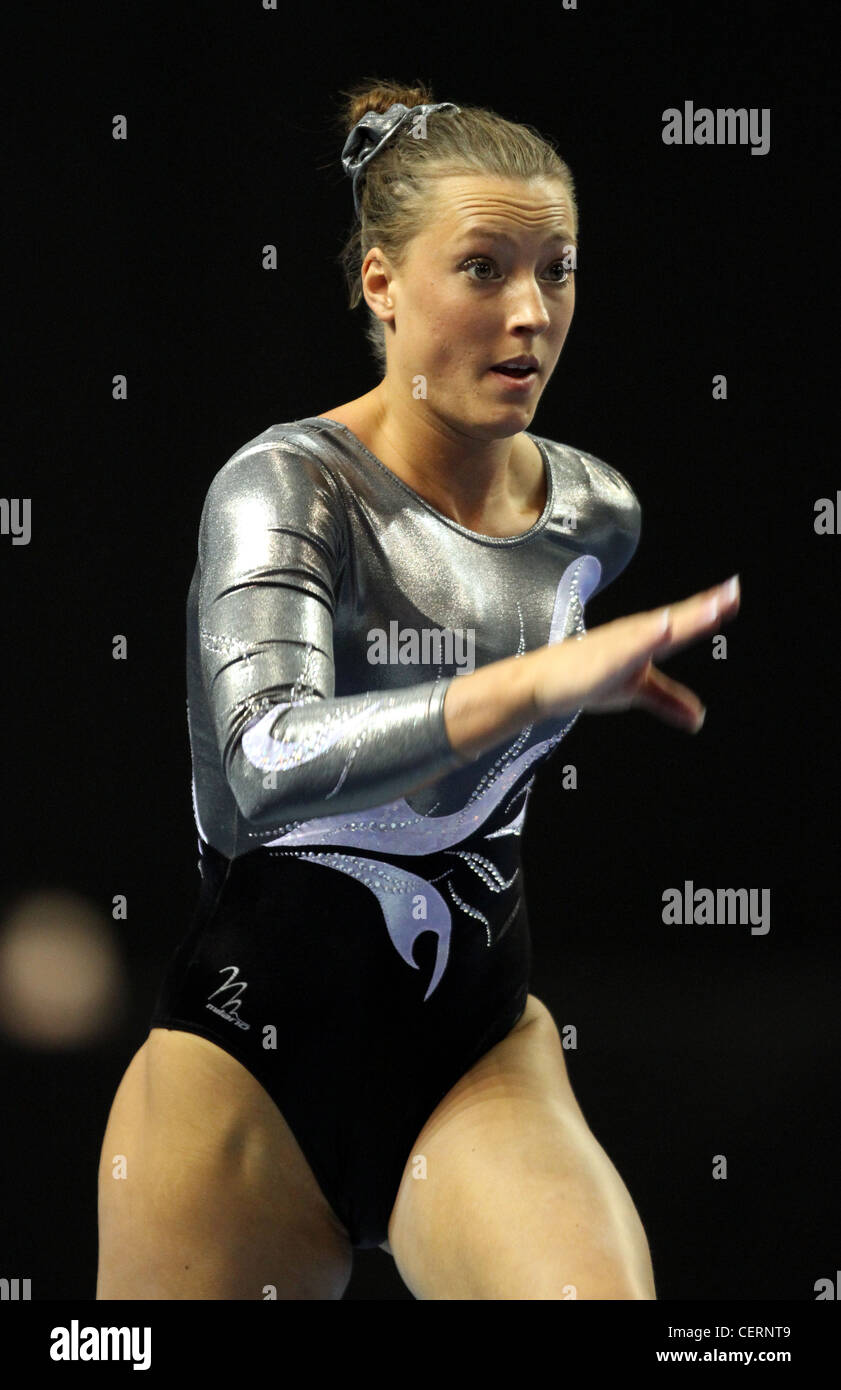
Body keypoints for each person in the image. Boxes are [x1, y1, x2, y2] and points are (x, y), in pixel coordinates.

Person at [96, 79, 740, 1301]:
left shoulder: (593, 515)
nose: (532, 314)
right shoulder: (287, 486)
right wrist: (527, 683)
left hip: (475, 1054)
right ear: (381, 283)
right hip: (246, 1072)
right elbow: (263, 760)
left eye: (557, 270)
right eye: (484, 269)